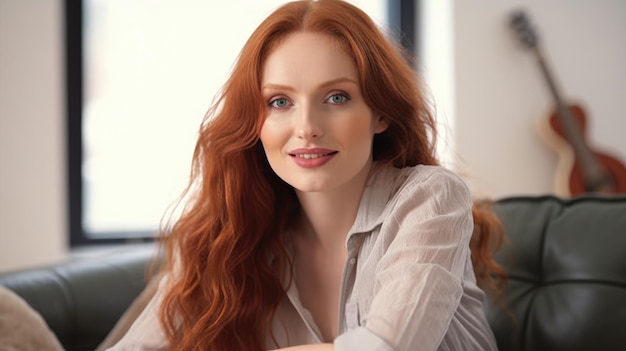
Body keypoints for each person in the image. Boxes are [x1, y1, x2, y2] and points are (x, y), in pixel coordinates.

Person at [107, 0, 506, 350]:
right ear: (255, 122)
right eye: (280, 101)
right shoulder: (232, 237)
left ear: (380, 112)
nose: (307, 126)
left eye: (336, 97)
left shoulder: (431, 198)